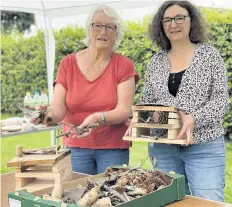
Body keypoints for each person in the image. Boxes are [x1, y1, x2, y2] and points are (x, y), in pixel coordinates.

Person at [138, 0, 228, 202]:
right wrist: (137, 120)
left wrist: (193, 118)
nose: (173, 24)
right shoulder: (155, 62)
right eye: (167, 20)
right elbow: (148, 100)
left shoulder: (209, 56)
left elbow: (221, 100)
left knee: (209, 203)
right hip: (163, 148)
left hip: (203, 146)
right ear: (161, 25)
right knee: (169, 202)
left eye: (179, 18)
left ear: (191, 21)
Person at [37, 5, 139, 175]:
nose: (103, 31)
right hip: (76, 147)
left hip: (112, 148)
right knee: (76, 196)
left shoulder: (123, 65)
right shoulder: (68, 63)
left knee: (110, 196)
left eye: (109, 27)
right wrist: (47, 115)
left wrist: (98, 117)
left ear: (116, 34)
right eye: (97, 25)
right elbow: (58, 106)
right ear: (89, 29)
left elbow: (124, 110)